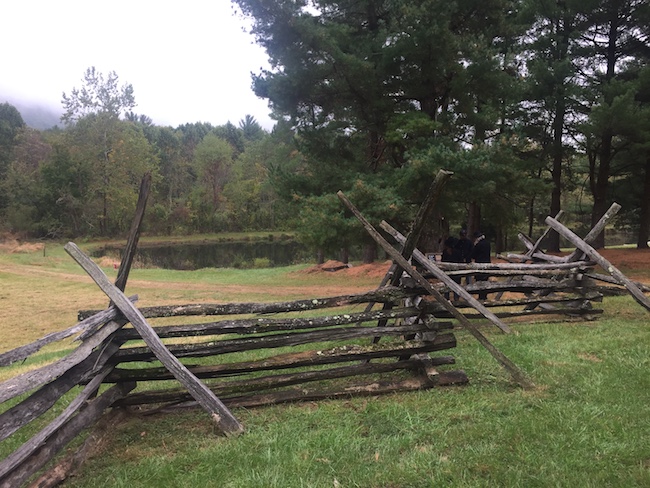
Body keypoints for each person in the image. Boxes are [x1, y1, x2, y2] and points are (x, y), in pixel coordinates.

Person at [471, 231, 491, 299]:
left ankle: (481, 296)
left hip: (479, 265)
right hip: (487, 264)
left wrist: (475, 246)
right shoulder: (488, 243)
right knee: (485, 280)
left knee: (479, 281)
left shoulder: (478, 244)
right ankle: (484, 296)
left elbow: (473, 255)